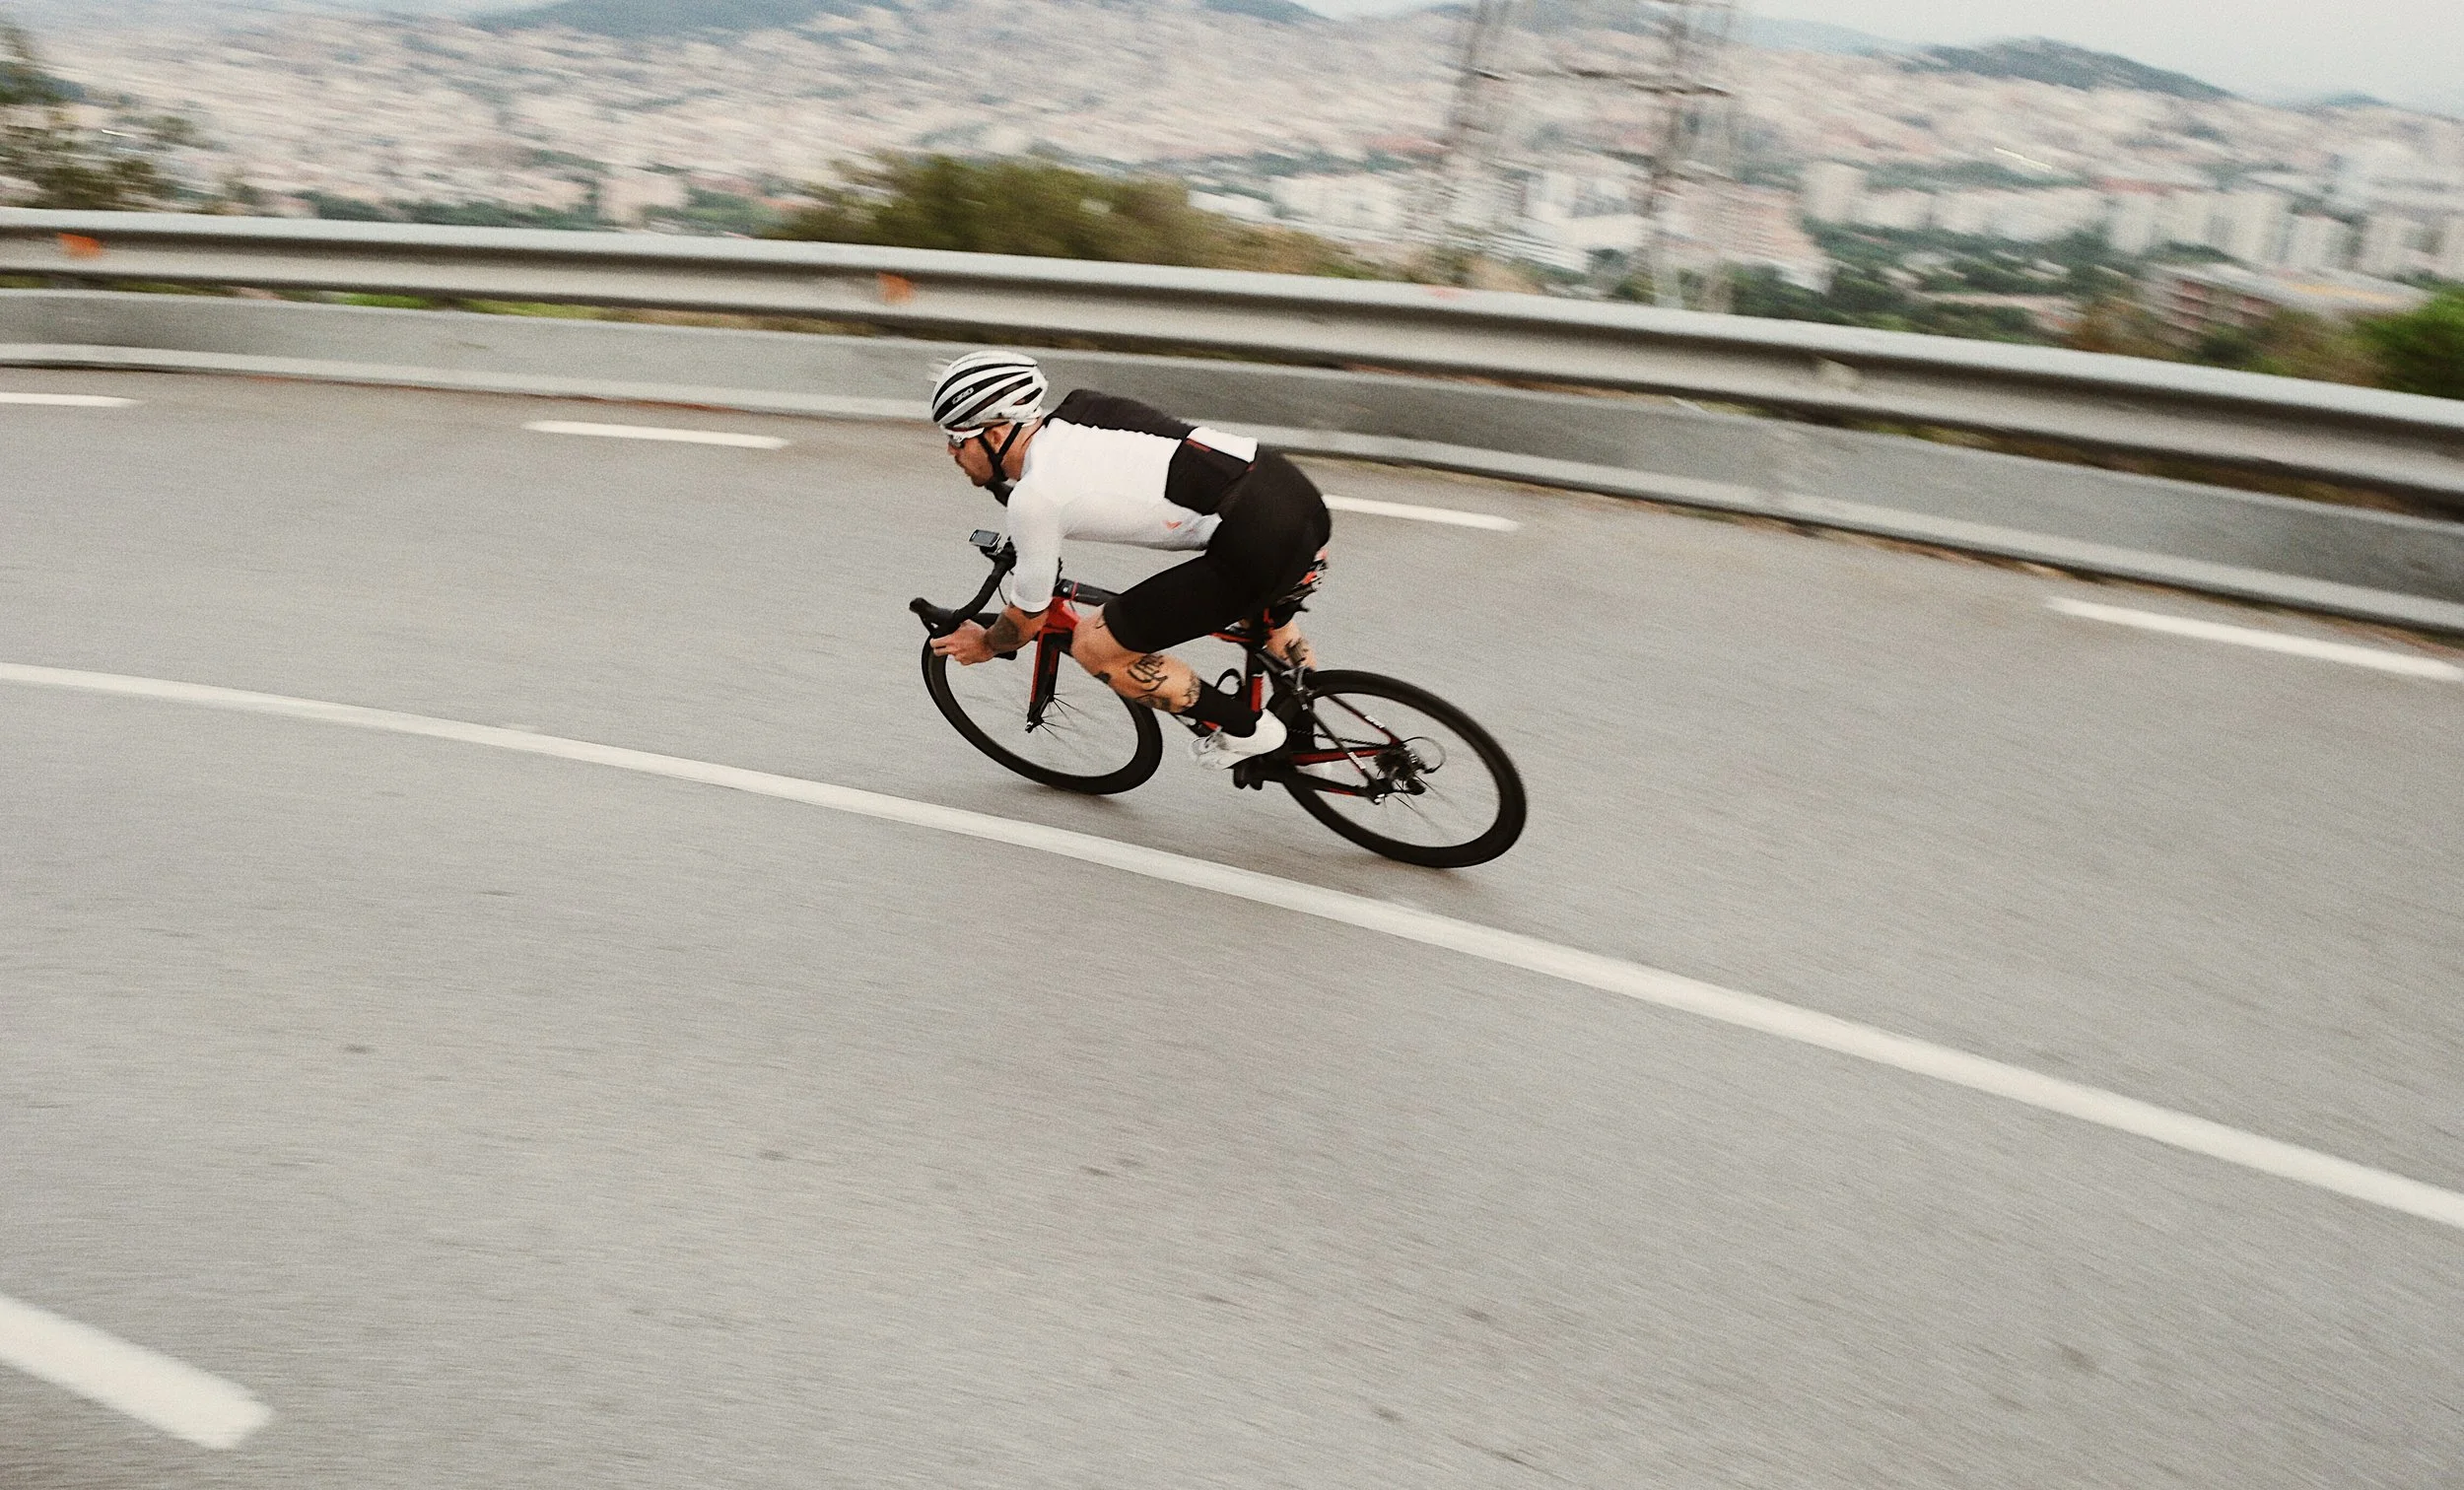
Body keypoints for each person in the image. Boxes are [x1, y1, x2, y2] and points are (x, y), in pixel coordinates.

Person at [925, 350, 1331, 768]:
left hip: (1257, 539)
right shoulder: (1084, 410)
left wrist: (987, 644)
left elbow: (1027, 620)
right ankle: (1304, 743)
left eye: (957, 438)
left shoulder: (1037, 497)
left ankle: (1249, 729)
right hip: (1292, 494)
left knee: (1095, 646)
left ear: (994, 434)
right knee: (1267, 618)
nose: (951, 452)